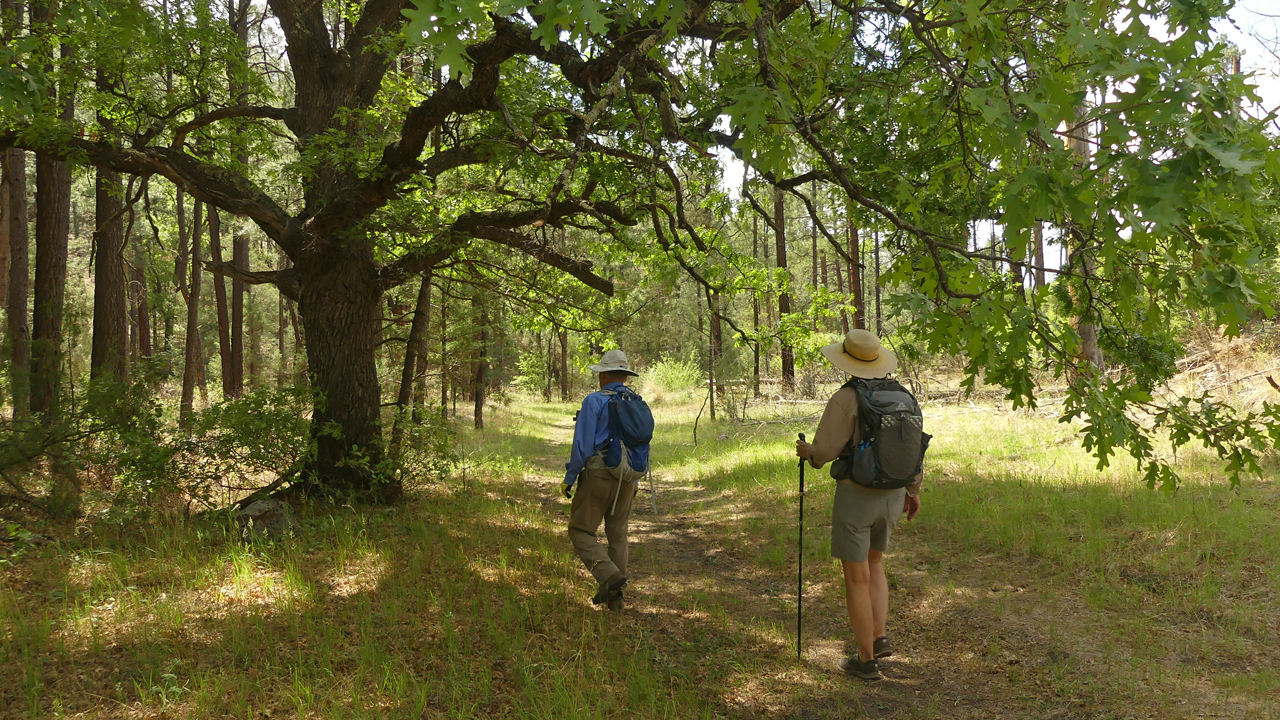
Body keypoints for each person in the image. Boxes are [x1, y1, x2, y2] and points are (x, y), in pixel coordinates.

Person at [795, 329, 923, 681]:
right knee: (875, 564)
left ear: (848, 361)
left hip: (857, 495)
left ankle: (866, 660)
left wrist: (807, 452)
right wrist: (913, 490)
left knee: (856, 577)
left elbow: (823, 454)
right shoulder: (904, 396)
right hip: (895, 493)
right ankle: (878, 636)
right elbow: (912, 447)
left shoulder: (846, 398)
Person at [563, 349, 643, 612]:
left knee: (580, 530)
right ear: (625, 376)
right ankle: (616, 599)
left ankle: (609, 576)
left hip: (598, 474)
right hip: (628, 478)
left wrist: (570, 477)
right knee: (618, 536)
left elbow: (582, 445)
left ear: (605, 374)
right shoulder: (636, 401)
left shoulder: (593, 401)